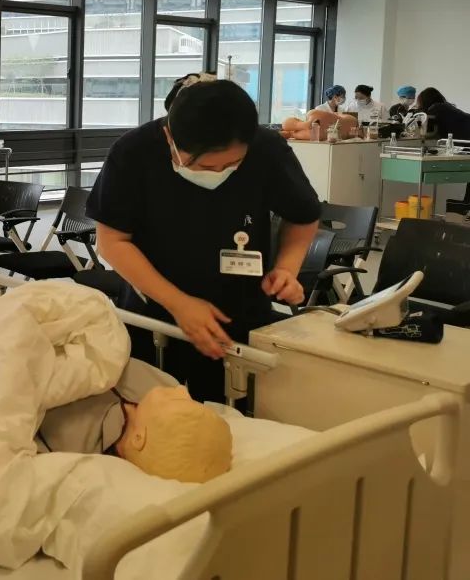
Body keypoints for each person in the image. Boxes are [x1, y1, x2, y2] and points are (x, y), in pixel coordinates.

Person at [88, 79, 321, 402]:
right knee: (151, 410)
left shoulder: (267, 149)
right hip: (155, 313)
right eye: (204, 166)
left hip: (239, 312)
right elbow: (112, 241)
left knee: (234, 412)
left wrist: (286, 268)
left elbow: (303, 215)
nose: (218, 172)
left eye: (232, 165)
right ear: (170, 137)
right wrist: (179, 303)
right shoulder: (134, 152)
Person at [38, 358, 232, 483]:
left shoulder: (74, 444)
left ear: (139, 438)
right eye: (191, 401)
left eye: (176, 400)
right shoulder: (160, 385)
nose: (182, 390)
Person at [416, 87, 470, 207]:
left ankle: (466, 206)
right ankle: (466, 206)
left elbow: (425, 126)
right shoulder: (445, 107)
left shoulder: (436, 109)